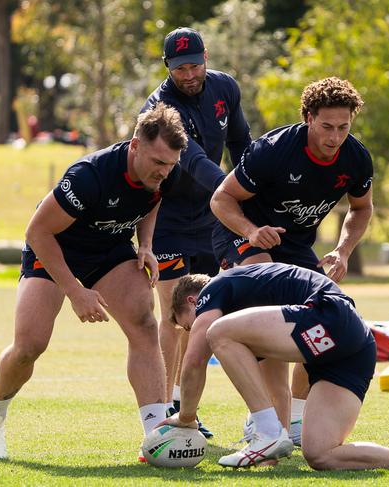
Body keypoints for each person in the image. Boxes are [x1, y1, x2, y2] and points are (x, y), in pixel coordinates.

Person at [0, 102, 187, 460]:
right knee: (30, 345)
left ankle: (156, 433)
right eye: (157, 163)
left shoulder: (165, 173)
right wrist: (75, 291)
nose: (164, 172)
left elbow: (152, 201)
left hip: (107, 248)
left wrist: (147, 245)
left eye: (170, 165)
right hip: (55, 246)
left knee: (143, 320)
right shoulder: (88, 176)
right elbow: (37, 231)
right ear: (135, 145)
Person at [164, 262, 389, 471]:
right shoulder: (253, 329)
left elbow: (193, 362)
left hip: (330, 315)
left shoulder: (213, 292)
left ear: (193, 301)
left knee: (217, 332)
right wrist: (271, 449)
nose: (193, 334)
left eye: (188, 327)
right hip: (354, 346)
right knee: (321, 454)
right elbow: (277, 392)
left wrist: (187, 416)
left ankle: (267, 433)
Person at [210, 76, 374, 444]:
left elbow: (361, 208)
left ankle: (295, 420)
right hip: (241, 229)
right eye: (327, 126)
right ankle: (265, 418)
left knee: (319, 311)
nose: (335, 137)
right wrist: (252, 231)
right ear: (308, 119)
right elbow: (221, 199)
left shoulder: (355, 158)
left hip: (295, 243)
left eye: (343, 127)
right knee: (267, 296)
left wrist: (344, 249)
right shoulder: (273, 150)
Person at [141, 26, 251, 437]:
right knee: (173, 315)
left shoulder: (225, 88)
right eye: (179, 68)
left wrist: (252, 184)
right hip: (167, 217)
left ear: (206, 57)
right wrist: (235, 194)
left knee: (200, 316)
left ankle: (188, 409)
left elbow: (241, 142)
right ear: (167, 67)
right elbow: (196, 162)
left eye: (194, 64)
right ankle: (165, 406)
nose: (188, 74)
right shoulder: (161, 106)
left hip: (210, 220)